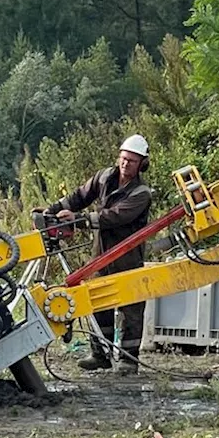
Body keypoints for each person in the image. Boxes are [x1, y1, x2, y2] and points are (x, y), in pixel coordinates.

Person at [40, 135, 154, 374]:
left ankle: (128, 360)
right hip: (101, 253)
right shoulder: (104, 177)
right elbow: (79, 196)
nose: (125, 164)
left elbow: (113, 217)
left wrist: (78, 220)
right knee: (97, 300)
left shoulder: (141, 193)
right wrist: (53, 210)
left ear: (141, 163)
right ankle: (100, 354)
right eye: (123, 158)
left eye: (132, 161)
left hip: (127, 255)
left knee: (129, 309)